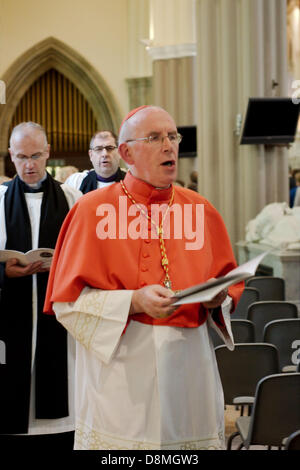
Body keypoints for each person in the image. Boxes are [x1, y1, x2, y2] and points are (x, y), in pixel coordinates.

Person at [44, 105, 244, 450]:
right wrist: (134, 300)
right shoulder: (91, 211)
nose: (169, 146)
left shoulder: (201, 209)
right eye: (154, 138)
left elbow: (227, 284)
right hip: (121, 374)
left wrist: (218, 299)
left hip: (189, 370)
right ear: (126, 153)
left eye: (172, 136)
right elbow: (67, 303)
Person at [0, 122, 82, 450]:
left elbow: (85, 257)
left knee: (58, 408)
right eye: (21, 157)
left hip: (56, 316)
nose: (29, 164)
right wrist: (6, 272)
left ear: (48, 152)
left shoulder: (72, 198)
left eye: (36, 155)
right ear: (11, 156)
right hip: (10, 311)